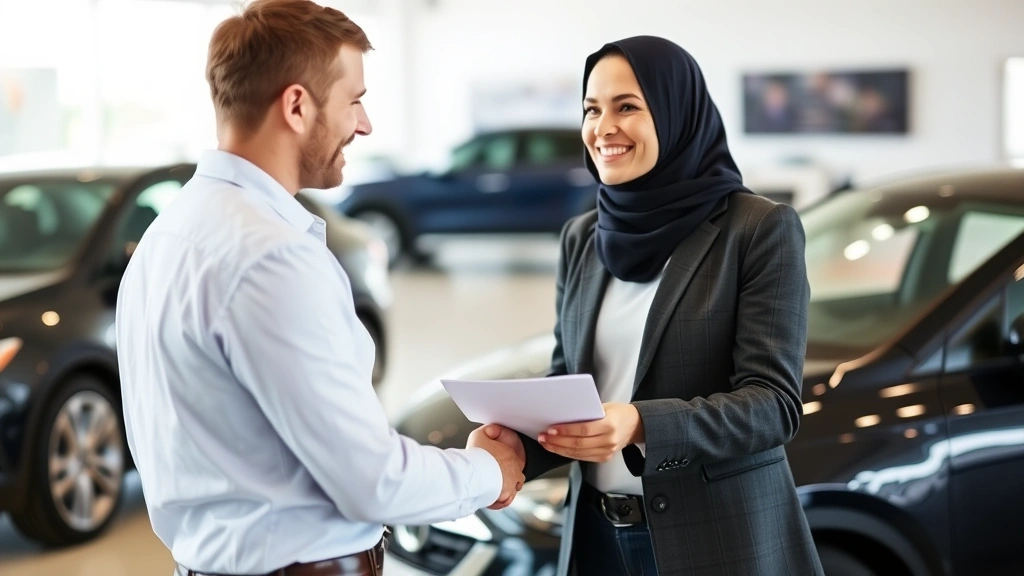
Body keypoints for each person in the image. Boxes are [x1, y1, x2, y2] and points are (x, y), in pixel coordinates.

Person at [115, 2, 524, 575]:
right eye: (354, 100)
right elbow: (372, 481)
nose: (365, 124)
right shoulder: (271, 257)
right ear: (297, 106)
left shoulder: (168, 233)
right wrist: (487, 472)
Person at [486, 36, 824, 575]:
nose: (603, 128)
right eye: (592, 110)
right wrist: (515, 444)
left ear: (676, 115)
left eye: (627, 107)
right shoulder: (583, 237)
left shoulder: (757, 229)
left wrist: (641, 423)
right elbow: (569, 385)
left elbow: (773, 406)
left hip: (715, 541)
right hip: (597, 538)